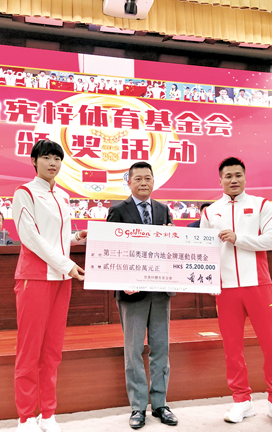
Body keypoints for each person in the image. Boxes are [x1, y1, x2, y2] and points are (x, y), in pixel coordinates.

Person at [200, 157, 272, 429]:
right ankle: (242, 400)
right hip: (225, 289)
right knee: (232, 348)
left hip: (258, 285)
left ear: (245, 177)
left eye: (238, 175)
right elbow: (203, 251)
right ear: (220, 180)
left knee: (271, 345)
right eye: (228, 176)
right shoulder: (210, 212)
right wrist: (208, 282)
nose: (233, 180)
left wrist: (238, 238)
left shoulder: (261, 205)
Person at [12, 139, 87, 432]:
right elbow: (31, 237)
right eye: (46, 157)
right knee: (29, 351)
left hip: (61, 280)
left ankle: (47, 413)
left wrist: (75, 239)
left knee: (53, 351)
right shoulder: (25, 192)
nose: (53, 163)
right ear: (34, 161)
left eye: (57, 158)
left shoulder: (63, 196)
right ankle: (25, 417)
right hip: (35, 278)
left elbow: (55, 238)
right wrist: (67, 264)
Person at [106, 161, 178, 430]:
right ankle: (137, 407)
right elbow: (109, 249)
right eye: (138, 179)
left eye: (148, 178)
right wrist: (121, 280)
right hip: (131, 292)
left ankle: (160, 404)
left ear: (153, 181)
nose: (144, 182)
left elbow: (171, 248)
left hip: (160, 291)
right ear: (129, 182)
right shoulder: (117, 210)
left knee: (161, 349)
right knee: (134, 351)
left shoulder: (163, 209)